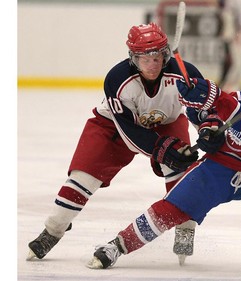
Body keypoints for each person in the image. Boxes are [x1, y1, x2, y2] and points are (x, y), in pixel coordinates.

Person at [86, 54, 241, 277]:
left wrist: (210, 95)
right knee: (170, 210)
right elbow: (235, 102)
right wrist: (207, 120)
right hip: (219, 169)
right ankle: (117, 246)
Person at [26, 22, 203, 265]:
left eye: (157, 57)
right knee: (82, 179)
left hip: (167, 122)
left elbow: (203, 108)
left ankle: (185, 227)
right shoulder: (117, 79)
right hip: (114, 127)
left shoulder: (184, 73)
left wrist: (208, 128)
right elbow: (130, 133)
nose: (152, 64)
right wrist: (164, 149)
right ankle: (53, 230)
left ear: (165, 54)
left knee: (182, 175)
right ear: (133, 58)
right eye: (144, 58)